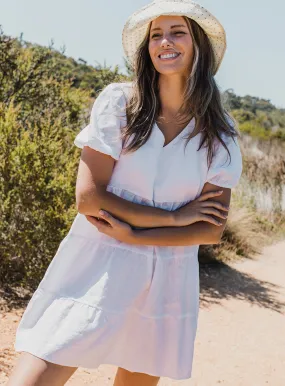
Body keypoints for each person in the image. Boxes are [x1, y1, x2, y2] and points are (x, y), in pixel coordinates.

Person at [7, 0, 243, 385]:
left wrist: (137, 233)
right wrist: (172, 217)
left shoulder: (220, 130)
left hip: (167, 275)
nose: (164, 41)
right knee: (36, 376)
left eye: (177, 32)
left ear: (198, 43)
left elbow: (209, 229)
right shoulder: (120, 103)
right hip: (99, 259)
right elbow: (89, 199)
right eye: (156, 34)